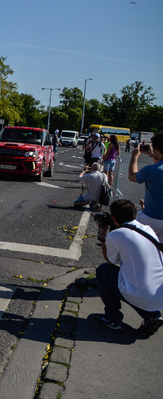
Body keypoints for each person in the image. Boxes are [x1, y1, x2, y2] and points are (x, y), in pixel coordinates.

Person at [95, 199, 163, 335]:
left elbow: (110, 261)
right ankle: (153, 315)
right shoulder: (147, 229)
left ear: (113, 218)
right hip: (159, 295)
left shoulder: (116, 235)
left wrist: (103, 237)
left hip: (140, 293)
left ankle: (113, 319)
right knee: (136, 281)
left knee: (103, 271)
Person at [128, 131, 163, 241]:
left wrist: (134, 156)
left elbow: (132, 176)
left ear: (157, 149)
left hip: (152, 216)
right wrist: (152, 154)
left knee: (134, 238)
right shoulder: (155, 169)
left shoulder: (150, 170)